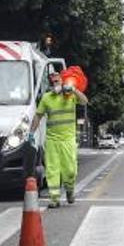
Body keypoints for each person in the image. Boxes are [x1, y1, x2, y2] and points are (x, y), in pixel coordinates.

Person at [30, 71, 87, 208]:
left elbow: (84, 101)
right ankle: (54, 198)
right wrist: (31, 133)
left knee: (70, 170)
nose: (56, 84)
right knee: (52, 169)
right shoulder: (46, 98)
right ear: (50, 84)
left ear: (62, 81)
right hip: (52, 140)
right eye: (53, 82)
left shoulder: (70, 95)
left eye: (58, 81)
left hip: (68, 139)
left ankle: (69, 190)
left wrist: (74, 89)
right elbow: (38, 116)